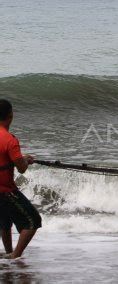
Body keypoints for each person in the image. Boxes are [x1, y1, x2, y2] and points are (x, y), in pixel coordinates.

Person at [0, 99, 41, 259]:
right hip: (5, 190)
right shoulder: (10, 140)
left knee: (5, 222)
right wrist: (25, 160)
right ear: (10, 115)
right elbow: (22, 168)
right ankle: (15, 256)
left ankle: (8, 253)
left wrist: (21, 158)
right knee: (33, 221)